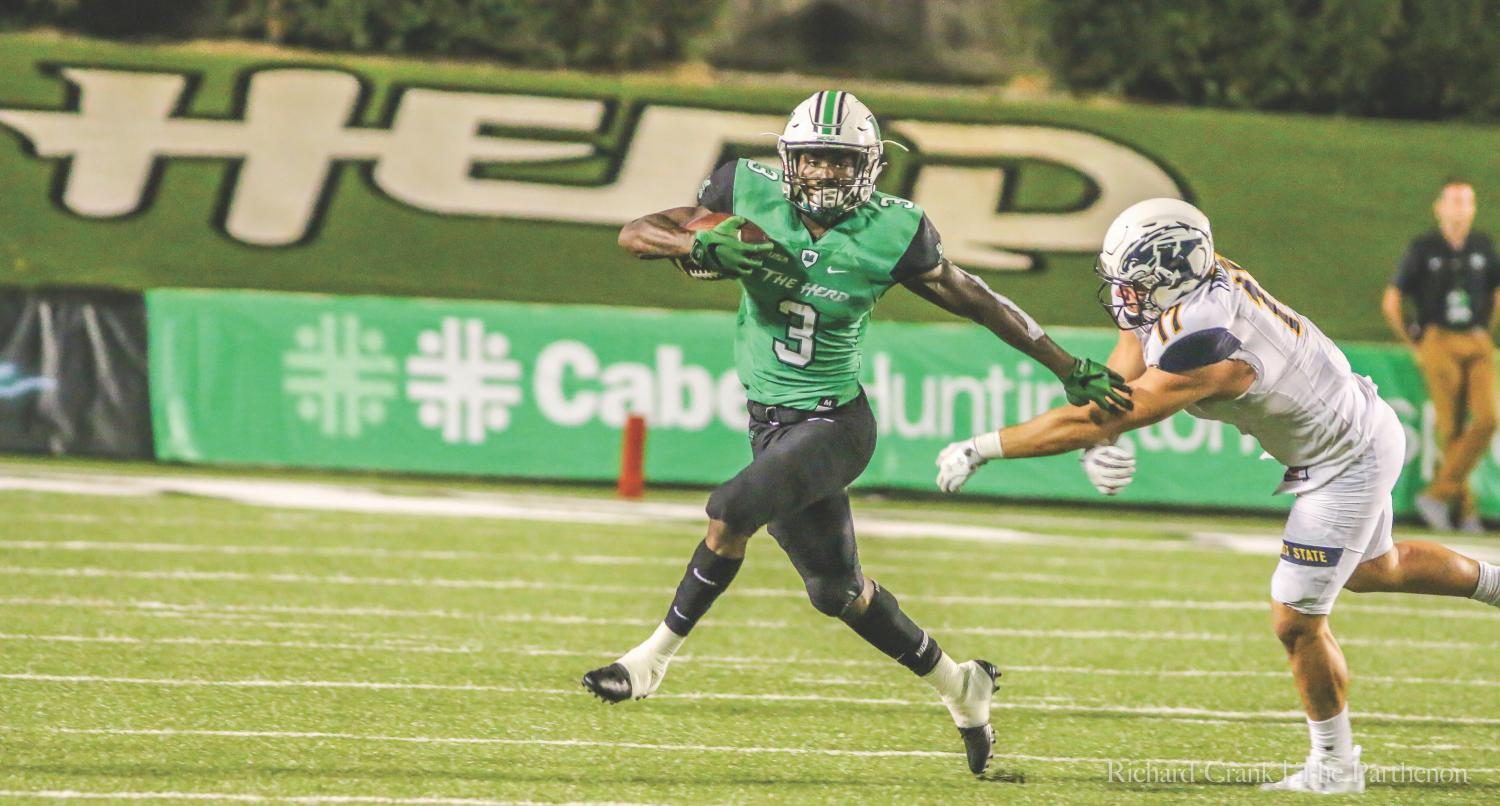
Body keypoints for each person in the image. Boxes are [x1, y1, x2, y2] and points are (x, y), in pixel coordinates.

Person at [582, 89, 1131, 776]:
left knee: (729, 511)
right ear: (789, 161)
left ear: (867, 168)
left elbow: (978, 300)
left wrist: (1064, 364)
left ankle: (651, 658)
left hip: (837, 423)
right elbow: (636, 232)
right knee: (837, 593)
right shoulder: (743, 193)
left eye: (839, 163)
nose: (823, 175)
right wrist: (694, 241)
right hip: (771, 427)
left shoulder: (893, 231)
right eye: (812, 161)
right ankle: (962, 687)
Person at [935, 198, 1500, 793]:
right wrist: (1101, 433)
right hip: (1354, 428)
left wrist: (989, 446)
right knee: (1374, 570)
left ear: (1171, 274)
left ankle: (1335, 769)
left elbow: (1103, 413)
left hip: (1345, 457)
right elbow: (1125, 361)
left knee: (1295, 618)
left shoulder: (1212, 344)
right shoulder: (1190, 282)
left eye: (1136, 283)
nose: (1124, 296)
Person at [1380, 179, 1500, 532]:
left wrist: (1487, 330)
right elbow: (1392, 300)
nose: (1460, 207)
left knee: (1488, 418)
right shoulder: (1424, 247)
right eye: (1453, 200)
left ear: (1474, 208)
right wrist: (1414, 341)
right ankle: (1465, 511)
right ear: (1439, 207)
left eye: (1466, 201)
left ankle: (1437, 493)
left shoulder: (1482, 245)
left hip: (1476, 340)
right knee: (1451, 428)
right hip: (1438, 338)